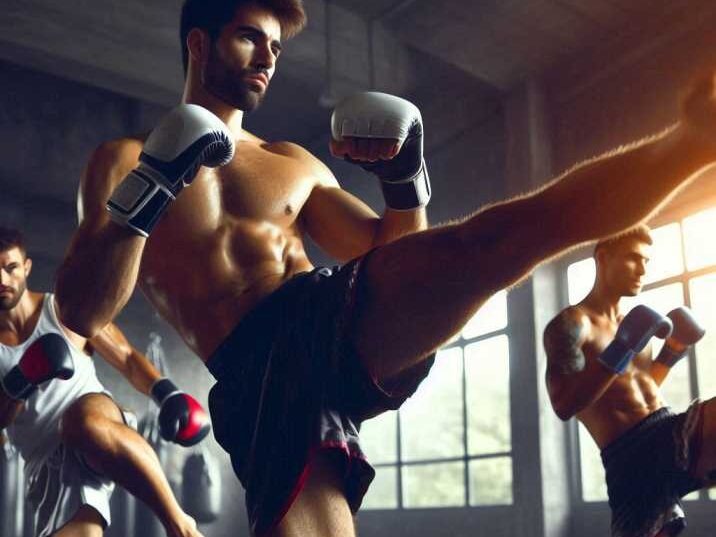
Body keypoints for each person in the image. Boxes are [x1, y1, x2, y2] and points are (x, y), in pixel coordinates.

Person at [53, 0, 716, 534]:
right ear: (198, 43)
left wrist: (404, 183)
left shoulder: (292, 163)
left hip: (326, 319)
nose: (267, 59)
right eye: (250, 38)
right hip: (256, 382)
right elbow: (82, 311)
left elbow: (387, 251)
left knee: (489, 244)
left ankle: (693, 140)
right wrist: (153, 188)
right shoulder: (125, 159)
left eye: (276, 49)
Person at [0, 226, 210, 537]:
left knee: (79, 423)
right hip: (47, 468)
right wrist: (21, 381)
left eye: (10, 267)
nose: (2, 280)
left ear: (26, 267)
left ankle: (179, 523)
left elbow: (125, 356)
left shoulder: (64, 310)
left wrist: (167, 394)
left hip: (96, 425)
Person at [543, 226, 713, 537]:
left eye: (647, 261)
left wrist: (671, 352)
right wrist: (622, 348)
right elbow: (563, 404)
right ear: (604, 258)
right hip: (630, 458)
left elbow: (639, 391)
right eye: (634, 259)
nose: (643, 270)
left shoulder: (637, 325)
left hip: (666, 432)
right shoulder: (572, 325)